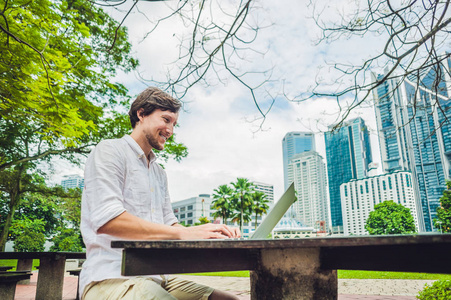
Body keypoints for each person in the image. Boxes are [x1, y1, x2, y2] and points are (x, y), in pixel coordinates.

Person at [80, 87, 240, 300]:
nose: (170, 130)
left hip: (157, 276)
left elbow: (170, 225)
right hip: (110, 278)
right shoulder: (110, 151)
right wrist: (185, 233)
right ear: (141, 114)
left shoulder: (159, 172)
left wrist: (204, 231)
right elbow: (108, 220)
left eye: (174, 124)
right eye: (166, 120)